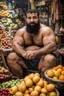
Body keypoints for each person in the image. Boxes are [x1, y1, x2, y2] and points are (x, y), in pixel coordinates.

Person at [7, 9, 56, 78]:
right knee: (11, 57)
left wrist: (36, 53)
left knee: (50, 58)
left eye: (34, 17)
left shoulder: (46, 30)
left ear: (38, 18)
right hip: (25, 59)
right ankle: (20, 80)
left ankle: (43, 83)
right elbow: (15, 45)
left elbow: (52, 46)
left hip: (41, 59)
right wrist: (23, 53)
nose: (32, 20)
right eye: (29, 18)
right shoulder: (21, 31)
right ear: (26, 19)